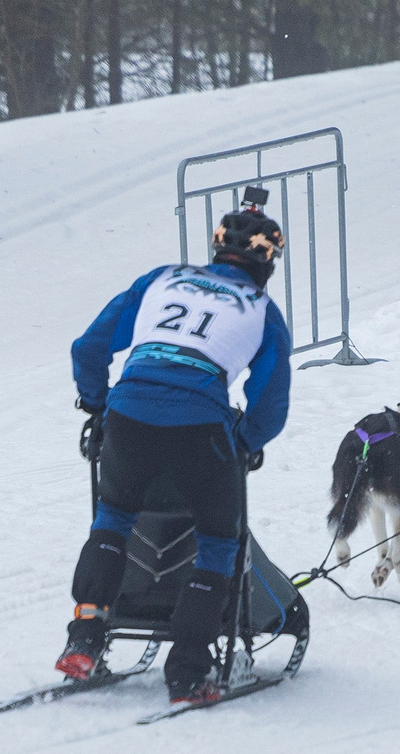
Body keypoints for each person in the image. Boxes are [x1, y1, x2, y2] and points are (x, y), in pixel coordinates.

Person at [59, 206, 292, 706]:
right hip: (201, 425)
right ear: (268, 263)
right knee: (217, 544)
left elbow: (89, 347)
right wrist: (245, 442)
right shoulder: (261, 309)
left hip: (129, 414)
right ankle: (188, 669)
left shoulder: (161, 279)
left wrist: (99, 404)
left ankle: (84, 637)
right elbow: (271, 401)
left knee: (114, 519)